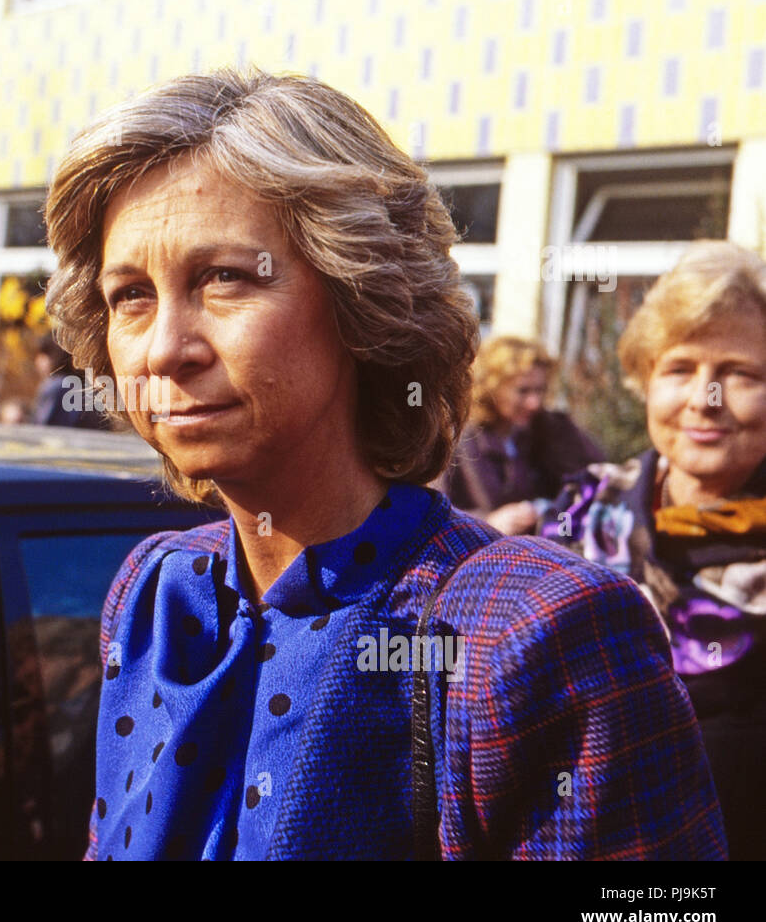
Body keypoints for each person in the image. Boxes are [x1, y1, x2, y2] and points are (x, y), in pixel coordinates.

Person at [44, 68, 725, 860]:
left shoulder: (528, 632)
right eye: (131, 294)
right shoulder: (159, 599)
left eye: (223, 278)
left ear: (359, 294)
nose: (164, 347)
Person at [542, 240, 766, 860]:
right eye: (679, 369)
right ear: (645, 379)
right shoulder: (584, 512)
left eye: (741, 374)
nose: (705, 399)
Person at [442, 336, 603, 534]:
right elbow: (433, 513)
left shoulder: (548, 429)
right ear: (492, 387)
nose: (534, 402)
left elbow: (593, 477)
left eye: (540, 390)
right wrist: (487, 522)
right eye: (523, 391)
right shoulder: (459, 441)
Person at [30, 336, 108, 429]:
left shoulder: (55, 387)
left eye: (43, 355)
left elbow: (41, 427)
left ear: (55, 355)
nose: (38, 362)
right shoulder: (92, 387)